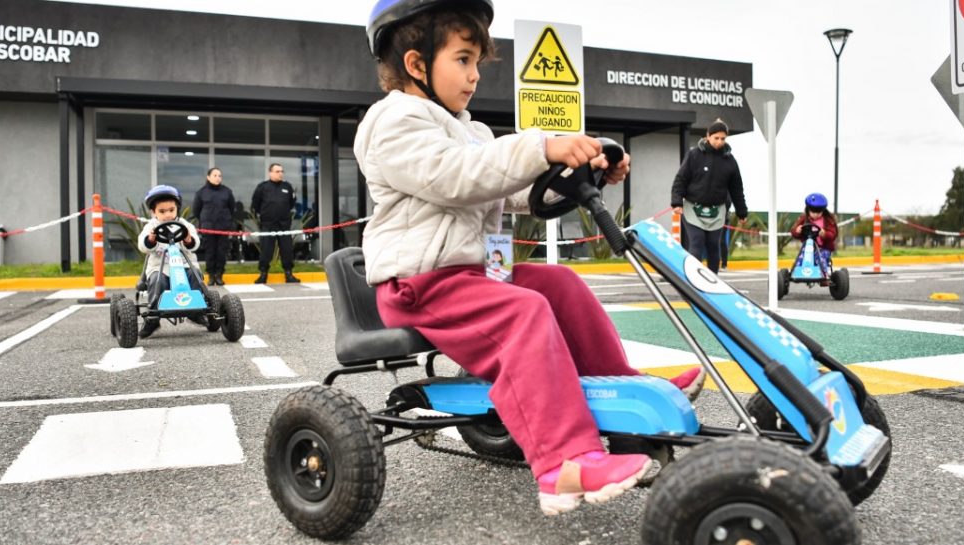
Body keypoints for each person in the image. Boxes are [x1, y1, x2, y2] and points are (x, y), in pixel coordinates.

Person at [356, 0, 703, 516]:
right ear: (415, 63)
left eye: (477, 63)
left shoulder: (469, 130)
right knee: (523, 313)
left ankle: (626, 389)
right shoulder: (392, 122)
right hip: (419, 284)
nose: (474, 76)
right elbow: (457, 177)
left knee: (556, 284)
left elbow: (507, 191)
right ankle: (565, 462)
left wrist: (581, 169)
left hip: (469, 274)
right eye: (463, 60)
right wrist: (542, 146)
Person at [670, 119, 749, 274]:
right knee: (697, 242)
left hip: (717, 211)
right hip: (693, 208)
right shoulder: (694, 155)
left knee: (714, 245)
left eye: (723, 138)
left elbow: (736, 188)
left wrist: (742, 212)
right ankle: (694, 278)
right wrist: (676, 201)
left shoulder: (730, 161)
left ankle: (713, 280)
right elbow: (681, 179)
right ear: (708, 136)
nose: (719, 142)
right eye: (716, 138)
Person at [137, 185, 205, 338]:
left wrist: (188, 239)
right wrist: (151, 239)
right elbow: (142, 245)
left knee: (195, 276)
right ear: (153, 212)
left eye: (171, 210)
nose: (167, 215)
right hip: (161, 266)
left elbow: (195, 245)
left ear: (177, 209)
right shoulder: (151, 226)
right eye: (162, 211)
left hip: (184, 264)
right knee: (157, 280)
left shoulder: (185, 225)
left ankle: (196, 311)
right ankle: (153, 316)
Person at [251, 163, 300, 283]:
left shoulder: (287, 186)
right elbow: (255, 205)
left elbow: (291, 203)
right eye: (277, 171)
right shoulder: (262, 187)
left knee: (287, 250)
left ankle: (289, 274)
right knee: (266, 251)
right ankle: (263, 274)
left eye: (282, 171)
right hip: (268, 224)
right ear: (270, 173)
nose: (280, 173)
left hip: (284, 225)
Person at [192, 167, 237, 286]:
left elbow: (232, 208)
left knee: (222, 252)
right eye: (215, 175)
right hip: (208, 227)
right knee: (210, 252)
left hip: (223, 227)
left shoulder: (227, 191)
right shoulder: (202, 192)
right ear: (208, 177)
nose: (218, 178)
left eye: (219, 176)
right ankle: (211, 275)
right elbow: (196, 210)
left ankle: (219, 275)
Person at [790, 192, 839, 281]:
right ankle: (797, 273)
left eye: (818, 212)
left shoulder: (828, 220)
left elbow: (833, 234)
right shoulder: (804, 219)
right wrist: (797, 231)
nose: (815, 214)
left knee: (822, 259)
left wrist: (825, 234)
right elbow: (793, 231)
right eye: (813, 212)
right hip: (808, 247)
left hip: (823, 248)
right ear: (808, 210)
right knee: (801, 258)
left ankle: (823, 275)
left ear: (823, 211)